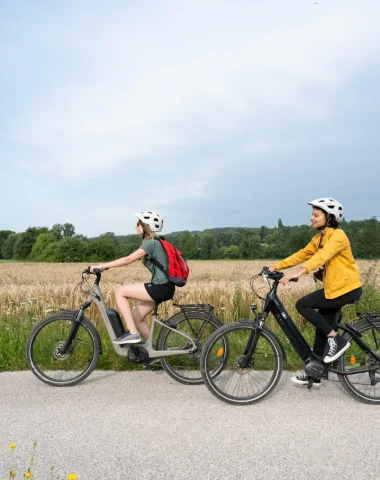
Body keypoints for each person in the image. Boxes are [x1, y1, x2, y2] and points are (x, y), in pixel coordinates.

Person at [268, 197, 362, 386]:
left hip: (347, 289)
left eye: (316, 215)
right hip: (333, 290)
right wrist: (276, 266)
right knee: (322, 329)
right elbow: (303, 254)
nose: (311, 218)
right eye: (312, 214)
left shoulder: (338, 236)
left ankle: (338, 341)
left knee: (303, 304)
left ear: (329, 218)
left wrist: (301, 272)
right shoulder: (319, 238)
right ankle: (316, 374)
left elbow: (322, 256)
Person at [90, 211, 175, 344]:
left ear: (146, 226)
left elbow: (128, 259)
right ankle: (154, 353)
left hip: (161, 287)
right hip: (163, 287)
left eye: (138, 224)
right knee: (136, 317)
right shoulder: (155, 242)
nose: (136, 227)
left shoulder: (151, 243)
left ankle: (132, 333)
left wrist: (102, 266)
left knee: (120, 291)